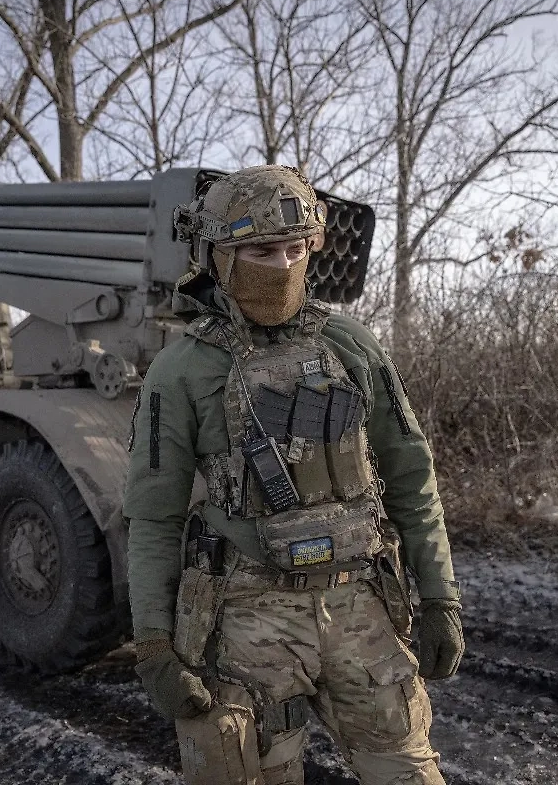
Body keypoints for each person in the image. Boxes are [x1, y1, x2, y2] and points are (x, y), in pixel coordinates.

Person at [124, 165, 463, 785]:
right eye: (260, 250)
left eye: (294, 248)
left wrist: (440, 595)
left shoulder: (352, 346)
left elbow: (412, 477)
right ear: (216, 255)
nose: (281, 266)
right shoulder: (179, 371)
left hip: (361, 608)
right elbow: (153, 517)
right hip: (246, 620)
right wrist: (153, 643)